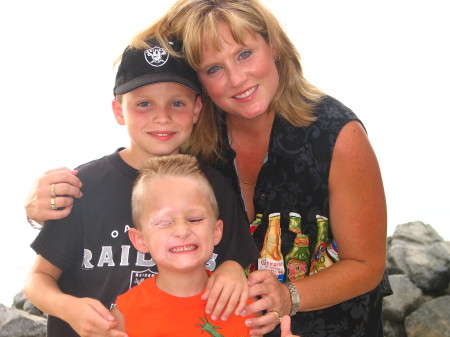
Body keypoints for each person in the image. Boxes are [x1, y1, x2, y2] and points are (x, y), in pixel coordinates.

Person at [25, 0, 392, 336]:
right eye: (214, 68)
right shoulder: (193, 133)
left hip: (332, 323)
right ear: (201, 86)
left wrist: (282, 293)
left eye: (245, 54)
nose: (236, 79)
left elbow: (366, 263)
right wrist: (43, 201)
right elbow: (131, 171)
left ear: (275, 48)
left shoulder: (336, 135)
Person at [23, 35, 260, 337]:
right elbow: (37, 279)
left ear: (197, 109)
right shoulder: (84, 186)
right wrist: (69, 308)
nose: (162, 117)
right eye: (144, 104)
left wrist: (231, 270)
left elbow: (236, 261)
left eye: (177, 103)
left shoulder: (213, 186)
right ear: (119, 110)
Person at [110, 154, 253, 336]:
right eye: (164, 222)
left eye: (195, 219)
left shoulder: (244, 303)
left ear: (216, 231)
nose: (182, 230)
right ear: (140, 240)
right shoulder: (123, 316)